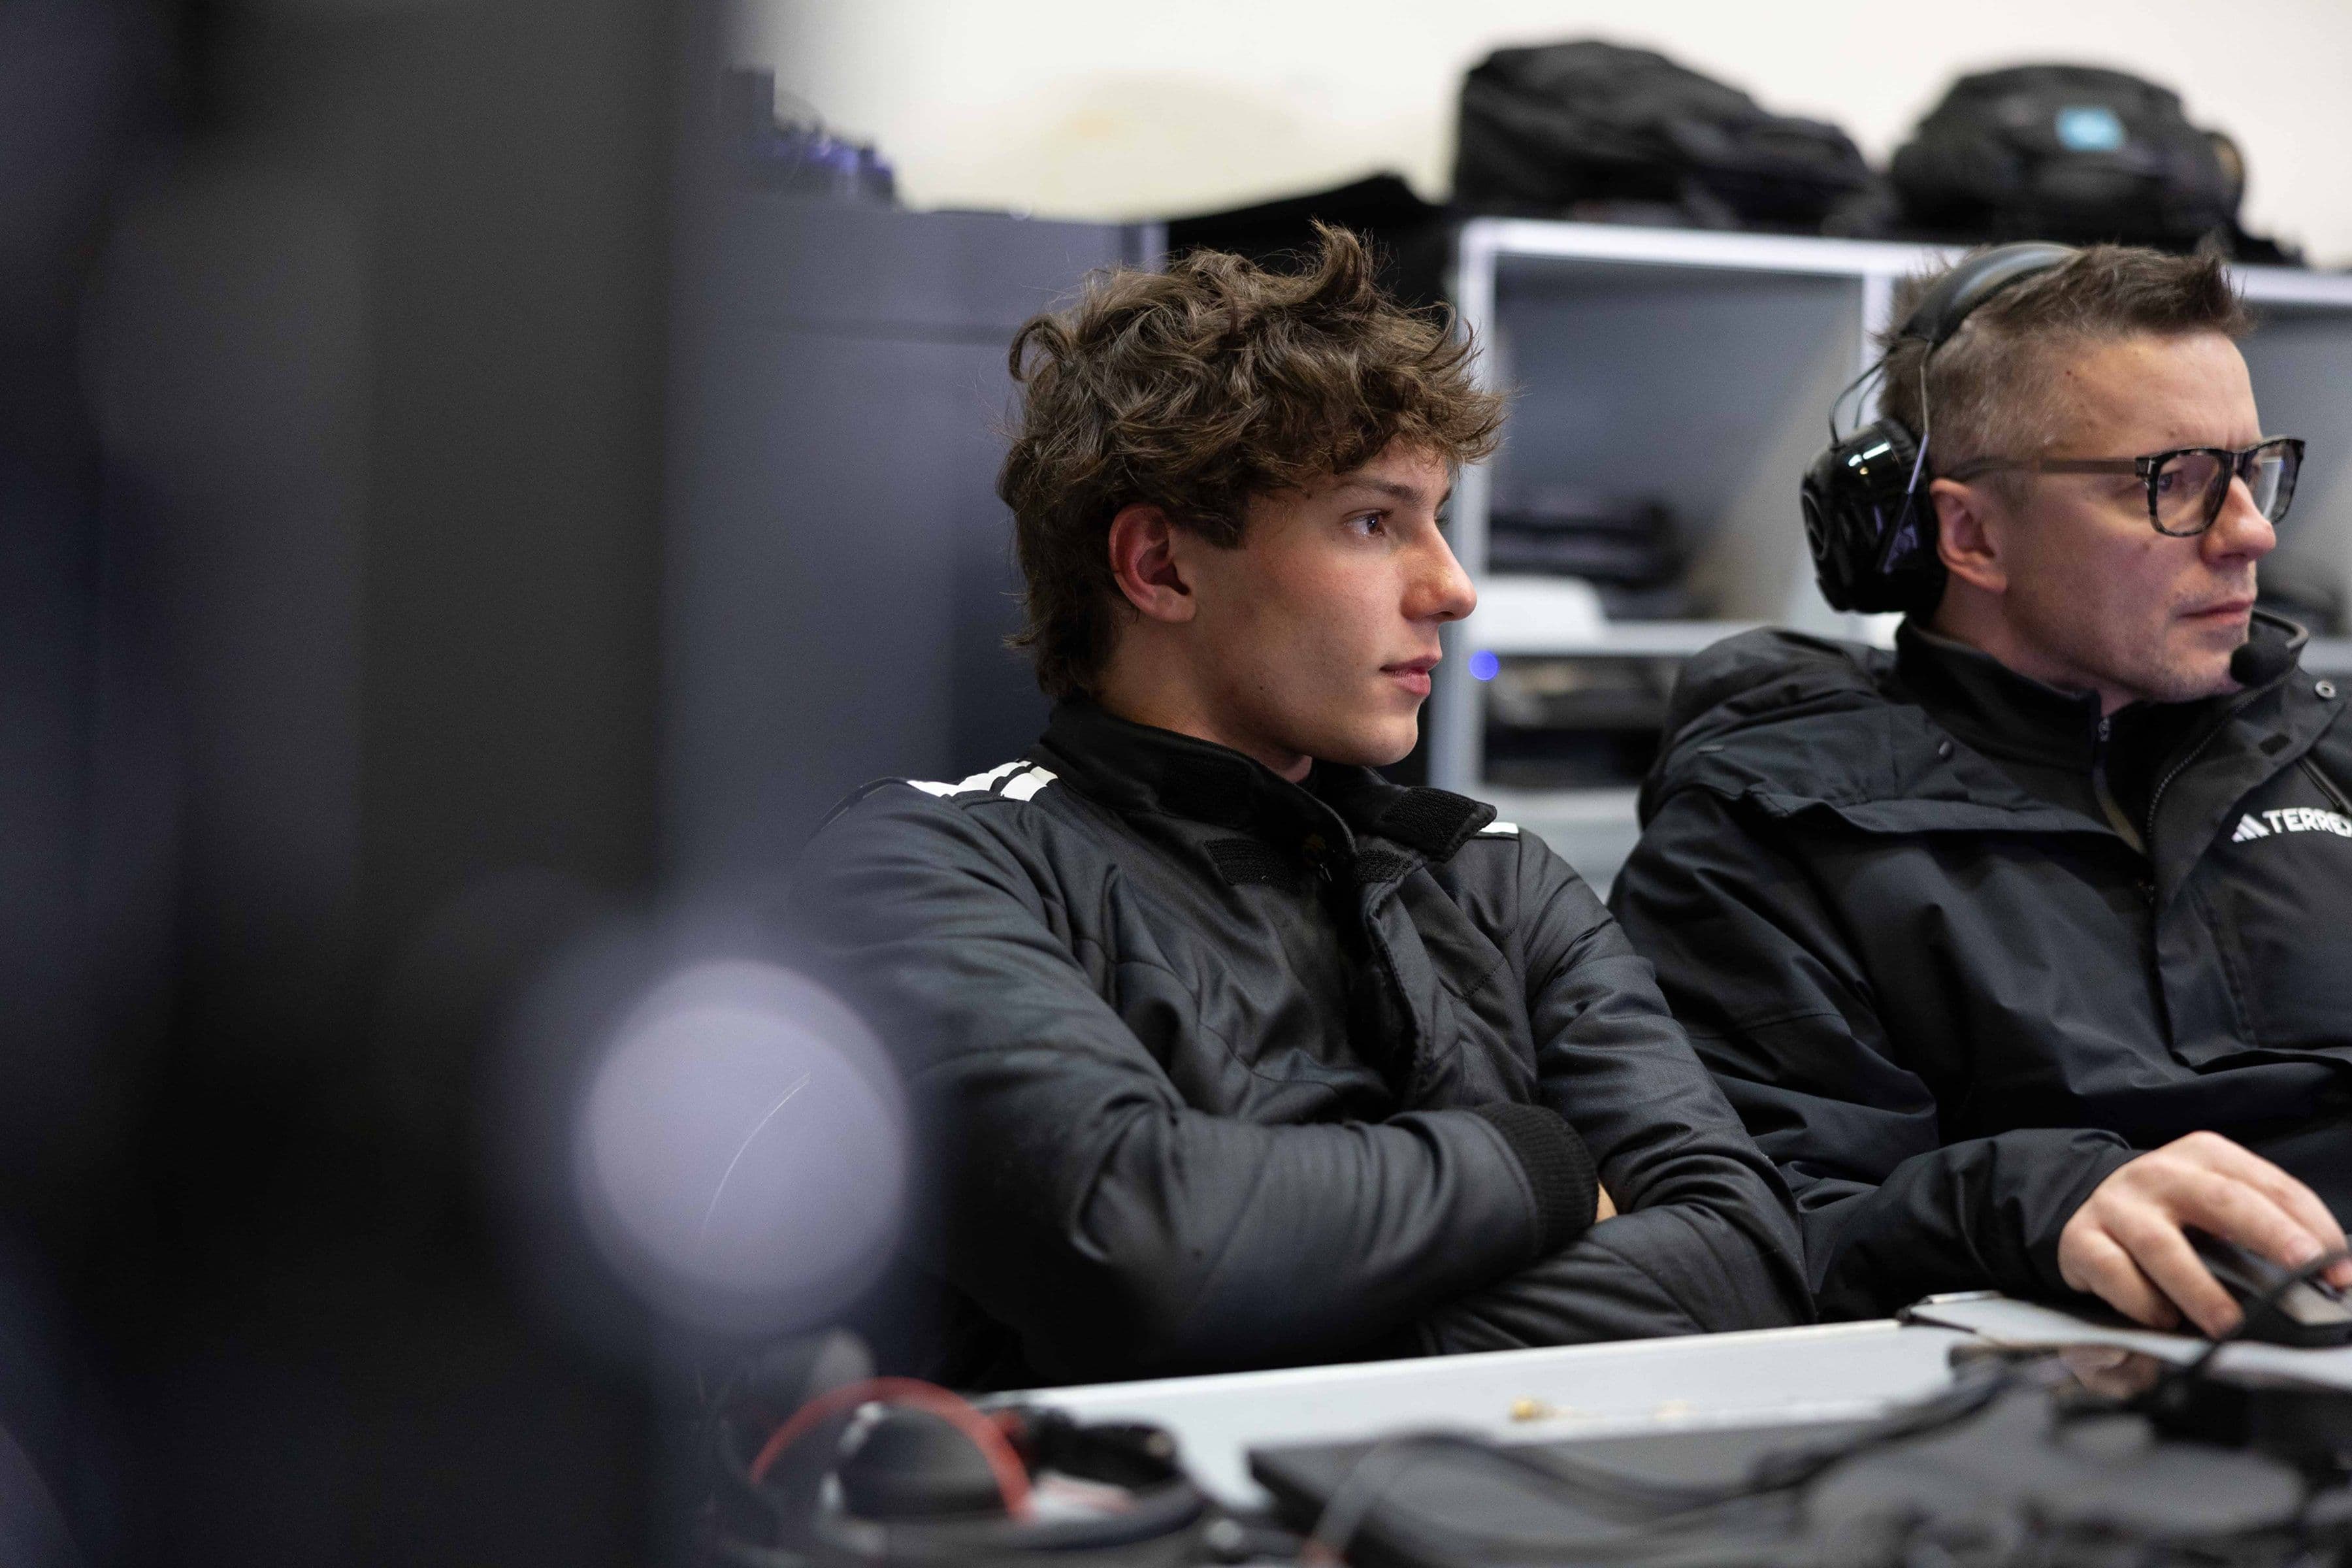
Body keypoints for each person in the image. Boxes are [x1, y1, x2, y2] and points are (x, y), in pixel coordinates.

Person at [788, 227, 1808, 1390]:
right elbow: (1149, 1245)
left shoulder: (1491, 874)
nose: (1453, 588)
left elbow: (1747, 1259)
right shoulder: (933, 864)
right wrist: (1547, 1166)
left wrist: (1288, 1324)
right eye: (1376, 522)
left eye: (1438, 518)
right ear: (1160, 568)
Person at [1610, 243, 2352, 1335]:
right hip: (2068, 1409)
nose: (2252, 532)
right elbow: (1749, 1237)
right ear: (1970, 532)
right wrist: (2033, 1203)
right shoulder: (1768, 831)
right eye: (2177, 481)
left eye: (2253, 469)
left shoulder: (2320, 746)